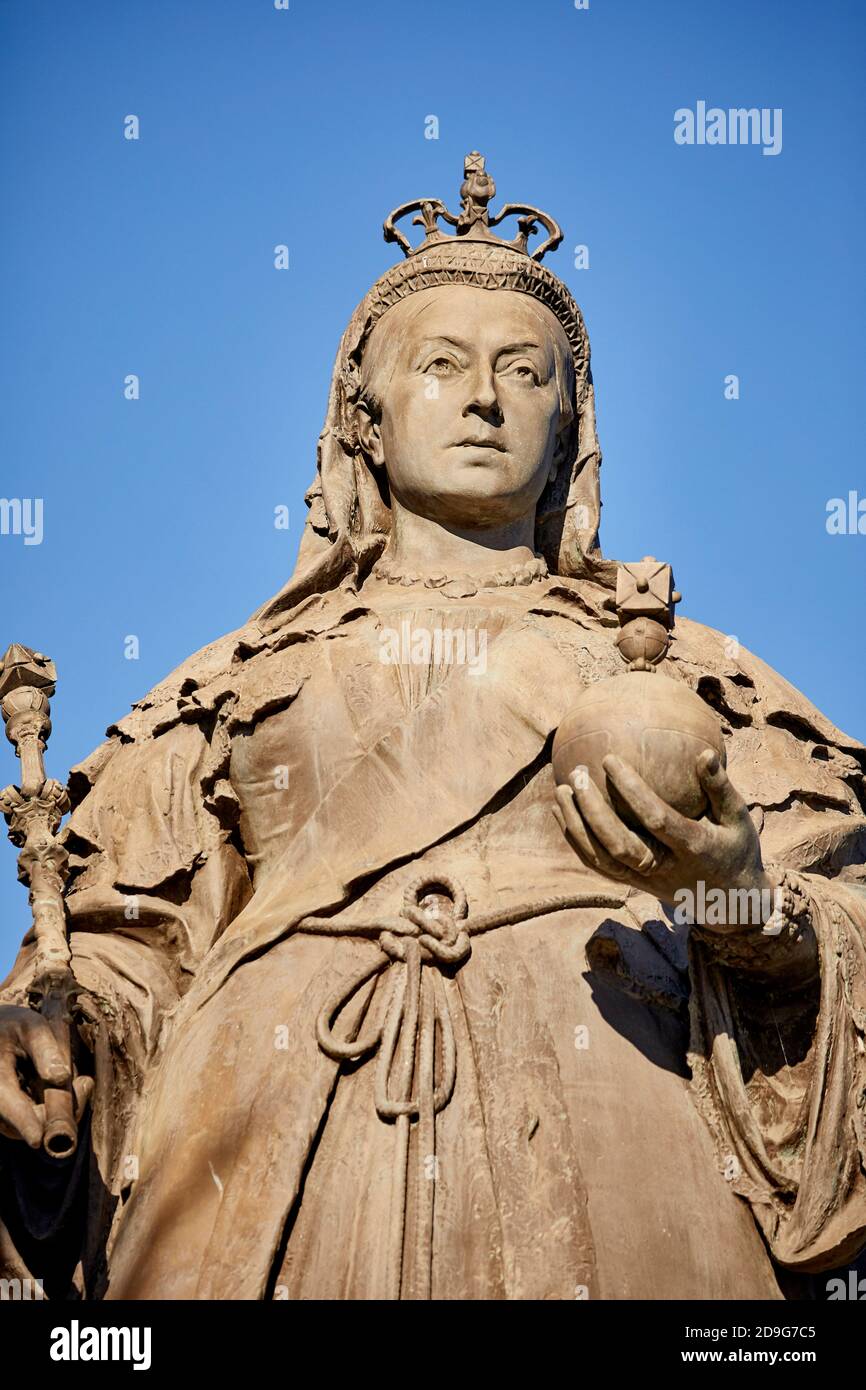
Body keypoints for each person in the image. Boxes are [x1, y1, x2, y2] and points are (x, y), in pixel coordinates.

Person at [1, 155, 865, 1300]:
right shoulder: (221, 687)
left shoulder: (695, 681)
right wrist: (51, 1036)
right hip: (260, 1148)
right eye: (440, 366)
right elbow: (132, 952)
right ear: (364, 416)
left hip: (617, 1126)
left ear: (568, 422)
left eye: (523, 371)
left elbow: (840, 919)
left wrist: (740, 903)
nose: (482, 399)